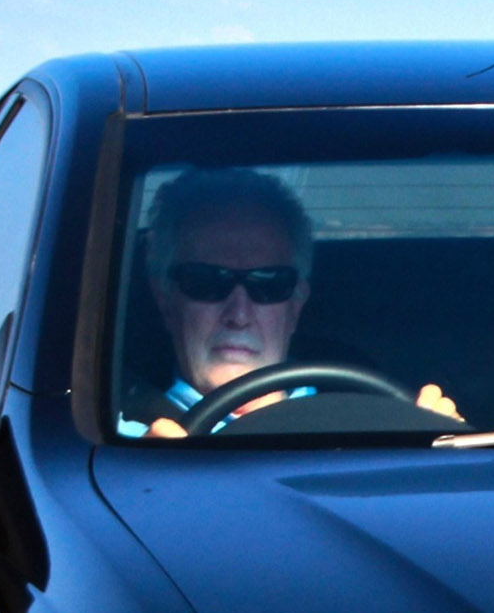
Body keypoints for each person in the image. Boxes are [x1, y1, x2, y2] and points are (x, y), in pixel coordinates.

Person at [122, 167, 456, 437]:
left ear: (295, 305)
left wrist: (439, 455)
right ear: (165, 299)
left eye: (269, 284)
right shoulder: (115, 440)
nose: (239, 315)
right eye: (207, 282)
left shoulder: (386, 422)